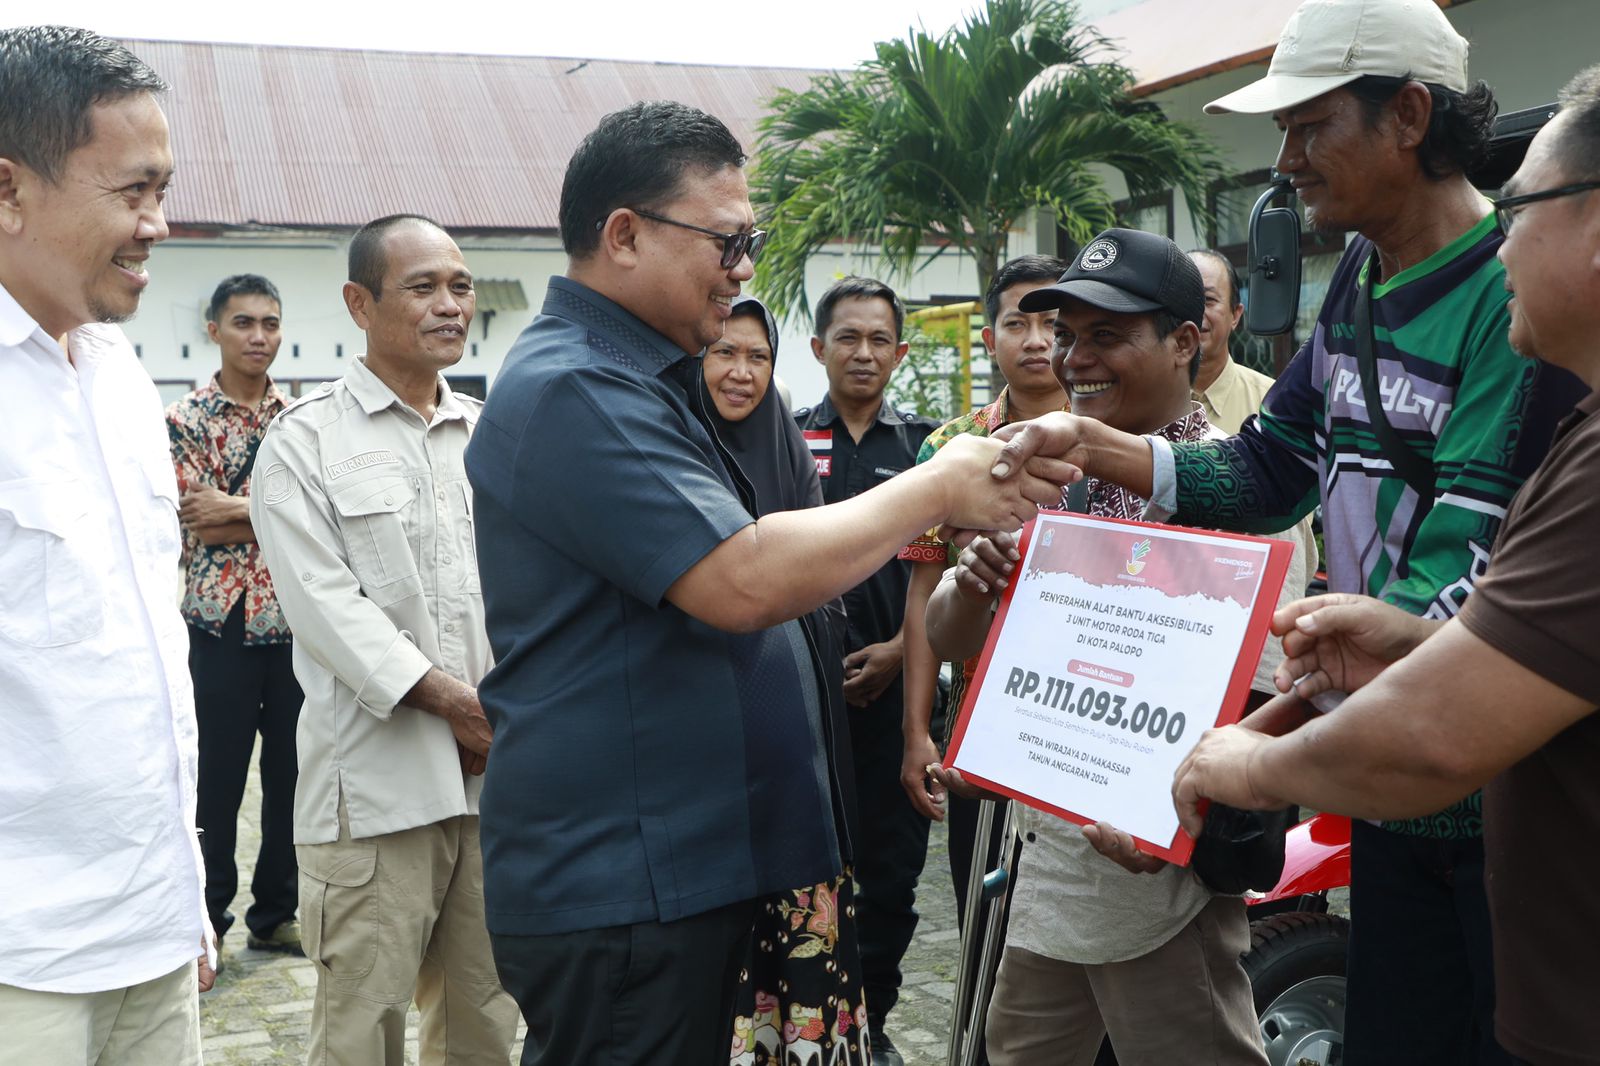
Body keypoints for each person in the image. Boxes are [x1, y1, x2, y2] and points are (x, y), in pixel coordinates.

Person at [984, 2, 1588, 1060]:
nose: (1285, 158)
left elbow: (1451, 589)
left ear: (1406, 115)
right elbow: (1266, 467)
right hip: (1388, 797)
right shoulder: (1360, 274)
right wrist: (1085, 444)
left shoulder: (1512, 301)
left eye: (1310, 126)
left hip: (1486, 799)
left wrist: (1219, 768)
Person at [464, 100, 1070, 1066]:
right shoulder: (577, 386)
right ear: (624, 234)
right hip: (630, 884)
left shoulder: (644, 377)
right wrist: (939, 484)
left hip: (690, 872)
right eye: (728, 239)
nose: (744, 265)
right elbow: (742, 579)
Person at [1173, 65, 1600, 1066]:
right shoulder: (1360, 287)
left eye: (1524, 204)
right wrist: (1404, 639)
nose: (1507, 234)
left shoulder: (1550, 398)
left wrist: (1247, 762)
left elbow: (1447, 721)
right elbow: (1267, 468)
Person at [923, 229, 1283, 1066]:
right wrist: (972, 580)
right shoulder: (1057, 477)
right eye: (1069, 335)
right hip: (1044, 863)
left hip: (1155, 881)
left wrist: (1174, 807)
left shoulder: (1234, 492)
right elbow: (950, 637)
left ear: (1185, 342)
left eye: (1107, 336)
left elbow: (1266, 701)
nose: (1074, 359)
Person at [248, 214, 518, 1066]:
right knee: (363, 1028)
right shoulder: (304, 443)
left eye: (461, 286)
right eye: (424, 287)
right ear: (359, 303)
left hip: (492, 786)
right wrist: (456, 705)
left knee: (484, 1017)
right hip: (374, 792)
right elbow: (328, 609)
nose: (451, 306)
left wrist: (506, 711)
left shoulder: (491, 436)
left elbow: (528, 598)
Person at [0, 25, 214, 1065]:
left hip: (153, 934)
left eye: (163, 189)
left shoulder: (124, 378)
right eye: (133, 192)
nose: (158, 225)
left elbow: (143, 658)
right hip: (21, 962)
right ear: (9, 190)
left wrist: (188, 897)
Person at [712, 297, 869, 1066]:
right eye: (722, 354)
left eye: (758, 357)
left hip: (800, 749)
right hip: (717, 768)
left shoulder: (786, 449)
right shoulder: (678, 452)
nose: (742, 373)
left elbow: (820, 582)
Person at [793, 276, 939, 1064]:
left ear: (901, 353)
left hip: (895, 703)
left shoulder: (923, 452)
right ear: (818, 349)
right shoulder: (783, 440)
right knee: (809, 878)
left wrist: (895, 655)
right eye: (848, 337)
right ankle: (812, 1028)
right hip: (803, 709)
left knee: (889, 880)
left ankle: (871, 1024)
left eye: (880, 339)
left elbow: (931, 575)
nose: (864, 353)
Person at [898, 254, 1068, 925]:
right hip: (979, 724)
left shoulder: (1116, 444)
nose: (1035, 340)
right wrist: (918, 730)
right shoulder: (950, 449)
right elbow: (921, 596)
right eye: (1015, 322)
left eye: (1053, 323)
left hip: (1081, 712)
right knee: (987, 925)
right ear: (990, 336)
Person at [166, 273, 303, 965]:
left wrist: (240, 510)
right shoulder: (186, 419)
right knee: (214, 777)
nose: (258, 336)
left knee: (295, 776)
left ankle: (276, 913)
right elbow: (198, 522)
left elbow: (320, 516)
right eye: (244, 322)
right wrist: (277, 515)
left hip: (295, 622)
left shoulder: (301, 416)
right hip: (219, 623)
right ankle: (207, 914)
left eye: (270, 323)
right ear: (214, 329)